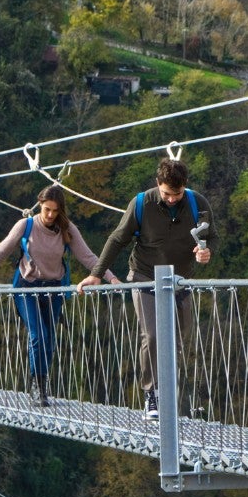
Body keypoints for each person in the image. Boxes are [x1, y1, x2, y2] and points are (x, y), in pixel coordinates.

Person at [77, 157, 215, 419]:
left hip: (180, 281)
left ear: (184, 186)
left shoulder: (198, 203)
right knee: (152, 335)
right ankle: (152, 395)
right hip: (145, 277)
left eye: (177, 194)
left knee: (179, 338)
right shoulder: (141, 204)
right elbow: (117, 239)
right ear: (157, 184)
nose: (172, 199)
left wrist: (207, 252)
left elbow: (212, 237)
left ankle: (169, 394)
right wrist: (96, 274)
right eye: (166, 193)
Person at [0, 185, 119, 407]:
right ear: (40, 206)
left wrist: (112, 279)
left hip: (53, 290)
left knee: (49, 340)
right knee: (37, 335)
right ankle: (37, 387)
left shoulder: (67, 229)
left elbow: (88, 257)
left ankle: (43, 384)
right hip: (27, 288)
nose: (49, 215)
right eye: (46, 209)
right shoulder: (26, 225)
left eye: (55, 211)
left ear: (60, 211)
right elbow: (1, 251)